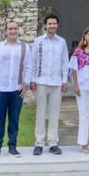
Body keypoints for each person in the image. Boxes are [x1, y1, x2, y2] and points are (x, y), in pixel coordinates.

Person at [0, 20, 32, 157]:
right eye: (10, 29)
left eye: (15, 28)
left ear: (18, 30)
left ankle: (12, 146)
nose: (13, 31)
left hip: (16, 89)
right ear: (6, 31)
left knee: (14, 119)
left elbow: (29, 66)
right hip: (1, 89)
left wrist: (26, 85)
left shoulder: (25, 47)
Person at [30, 13, 68, 155]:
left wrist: (64, 80)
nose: (52, 26)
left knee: (54, 112)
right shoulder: (38, 41)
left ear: (57, 25)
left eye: (54, 23)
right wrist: (32, 79)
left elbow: (65, 61)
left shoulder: (62, 42)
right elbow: (33, 61)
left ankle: (53, 142)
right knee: (41, 112)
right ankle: (39, 142)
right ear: (45, 25)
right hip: (41, 81)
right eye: (49, 24)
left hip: (56, 82)